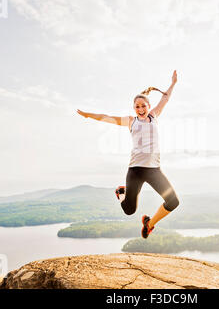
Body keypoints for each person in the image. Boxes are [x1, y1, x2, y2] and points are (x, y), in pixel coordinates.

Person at [77, 70, 180, 238]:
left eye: (143, 106)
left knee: (173, 202)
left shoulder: (154, 116)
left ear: (148, 106)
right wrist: (88, 115)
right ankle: (121, 193)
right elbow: (106, 117)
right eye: (137, 106)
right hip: (135, 171)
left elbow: (165, 98)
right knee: (129, 210)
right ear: (134, 108)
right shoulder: (130, 121)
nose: (140, 109)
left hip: (154, 170)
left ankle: (149, 224)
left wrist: (173, 83)